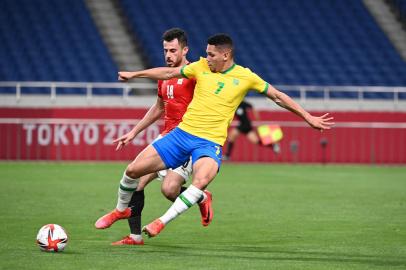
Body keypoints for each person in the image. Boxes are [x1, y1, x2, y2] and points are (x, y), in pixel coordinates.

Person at [96, 33, 334, 238]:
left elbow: (278, 96)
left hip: (209, 144)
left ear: (225, 55)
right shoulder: (199, 67)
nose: (206, 58)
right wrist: (135, 74)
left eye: (210, 54)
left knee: (198, 182)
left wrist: (308, 117)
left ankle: (160, 222)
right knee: (132, 171)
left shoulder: (246, 77)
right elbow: (169, 73)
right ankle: (120, 210)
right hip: (181, 135)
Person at [97, 28, 213, 245]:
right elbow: (159, 107)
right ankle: (135, 237)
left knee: (169, 190)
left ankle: (202, 196)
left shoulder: (195, 73)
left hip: (187, 140)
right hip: (166, 139)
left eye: (173, 50)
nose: (168, 55)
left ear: (185, 50)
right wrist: (133, 132)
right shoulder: (163, 77)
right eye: (165, 50)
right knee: (136, 183)